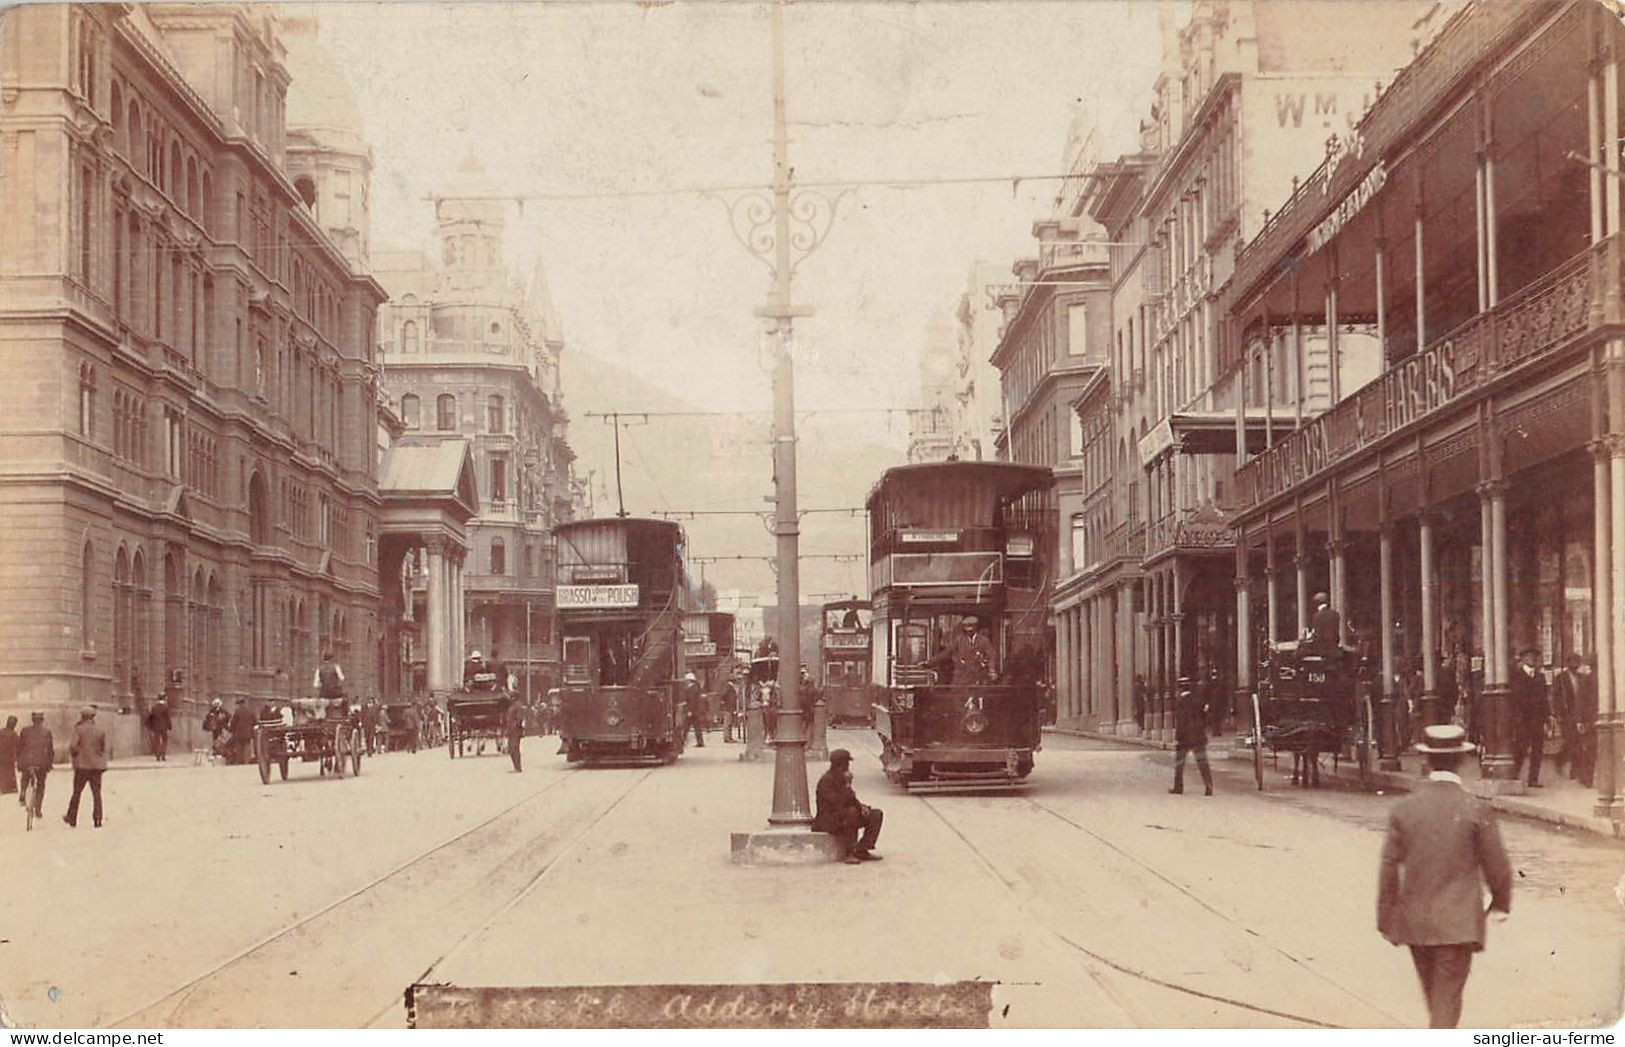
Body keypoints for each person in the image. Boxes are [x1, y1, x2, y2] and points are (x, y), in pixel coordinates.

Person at [1378, 723, 1513, 1028]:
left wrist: (1386, 919)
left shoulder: (1404, 809)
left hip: (1416, 923)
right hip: (1458, 924)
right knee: (1447, 1003)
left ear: (1426, 761)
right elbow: (1498, 866)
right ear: (1463, 761)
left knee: (1436, 1000)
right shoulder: (1477, 808)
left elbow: (1388, 868)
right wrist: (1500, 904)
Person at [812, 749, 882, 863]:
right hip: (828, 819)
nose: (848, 766)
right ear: (840, 764)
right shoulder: (826, 781)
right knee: (851, 813)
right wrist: (848, 786)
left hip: (843, 814)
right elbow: (837, 803)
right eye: (846, 763)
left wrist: (862, 807)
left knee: (875, 814)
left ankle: (863, 849)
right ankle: (849, 852)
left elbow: (851, 799)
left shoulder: (842, 778)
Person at [64, 706, 108, 829]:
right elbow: (103, 748)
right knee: (96, 794)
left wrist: (76, 754)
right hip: (96, 767)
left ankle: (72, 818)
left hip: (82, 766)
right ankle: (97, 819)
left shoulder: (78, 729)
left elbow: (73, 745)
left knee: (77, 793)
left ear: (82, 716)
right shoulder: (100, 729)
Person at [1510, 650, 1548, 787]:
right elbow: (1516, 700)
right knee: (1521, 749)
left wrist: (1547, 717)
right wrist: (1517, 718)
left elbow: (1544, 699)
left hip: (1537, 720)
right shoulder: (1517, 677)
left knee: (1537, 751)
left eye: (1534, 657)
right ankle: (1514, 776)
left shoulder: (1540, 677)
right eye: (1529, 657)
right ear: (1523, 659)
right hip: (1524, 721)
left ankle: (1533, 779)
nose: (1532, 660)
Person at [1170, 676, 1213, 796]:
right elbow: (1205, 717)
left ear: (1179, 689)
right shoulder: (1198, 700)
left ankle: (1178, 787)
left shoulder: (1180, 702)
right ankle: (1208, 786)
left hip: (1184, 737)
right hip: (1198, 735)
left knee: (1179, 763)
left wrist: (1178, 737)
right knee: (1202, 762)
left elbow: (1180, 721)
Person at [927, 615, 998, 685]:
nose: (968, 632)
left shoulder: (983, 641)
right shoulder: (959, 640)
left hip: (977, 677)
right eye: (966, 629)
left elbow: (991, 655)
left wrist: (991, 670)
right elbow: (947, 653)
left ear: (976, 627)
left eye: (971, 629)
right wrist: (929, 663)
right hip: (961, 678)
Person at [1550, 654, 1585, 780]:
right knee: (1570, 740)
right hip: (1566, 714)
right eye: (1573, 661)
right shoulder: (1560, 679)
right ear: (1568, 663)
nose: (1575, 664)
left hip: (1579, 714)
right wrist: (1556, 713)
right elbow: (1554, 697)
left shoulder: (1581, 678)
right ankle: (1560, 760)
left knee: (1578, 741)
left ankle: (1574, 770)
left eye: (1577, 662)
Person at [17, 712, 53, 819]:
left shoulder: (25, 731)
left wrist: (19, 762)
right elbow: (50, 750)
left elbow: (20, 748)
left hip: (27, 761)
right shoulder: (47, 732)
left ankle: (23, 792)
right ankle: (38, 809)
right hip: (41, 762)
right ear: (42, 720)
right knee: (41, 785)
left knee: (25, 777)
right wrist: (49, 763)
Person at [229, 697, 257, 765]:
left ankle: (239, 761)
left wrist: (231, 729)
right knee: (247, 746)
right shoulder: (251, 711)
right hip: (248, 732)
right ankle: (246, 761)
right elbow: (255, 722)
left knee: (239, 747)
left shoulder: (237, 711)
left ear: (239, 704)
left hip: (239, 732)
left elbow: (234, 722)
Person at [681, 671, 706, 747]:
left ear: (689, 680)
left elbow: (692, 701)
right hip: (696, 711)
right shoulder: (695, 687)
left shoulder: (692, 689)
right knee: (697, 727)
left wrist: (690, 711)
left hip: (693, 712)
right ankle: (700, 742)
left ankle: (682, 742)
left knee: (686, 727)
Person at [147, 692, 172, 762]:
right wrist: (169, 726)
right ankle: (163, 754)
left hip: (156, 727)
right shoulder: (165, 707)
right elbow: (168, 717)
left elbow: (150, 717)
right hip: (164, 727)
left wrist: (150, 726)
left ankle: (158, 755)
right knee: (165, 740)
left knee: (157, 741)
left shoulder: (154, 707)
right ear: (164, 699)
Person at [503, 697, 526, 772]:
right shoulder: (512, 706)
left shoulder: (518, 706)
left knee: (514, 748)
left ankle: (518, 767)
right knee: (511, 748)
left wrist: (515, 726)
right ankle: (516, 767)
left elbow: (519, 719)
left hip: (515, 730)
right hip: (511, 729)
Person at [0, 715, 17, 797]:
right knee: (9, 772)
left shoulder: (1, 732)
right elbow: (19, 744)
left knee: (2, 771)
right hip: (9, 757)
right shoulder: (13, 734)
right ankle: (9, 788)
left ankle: (3, 787)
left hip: (1, 755)